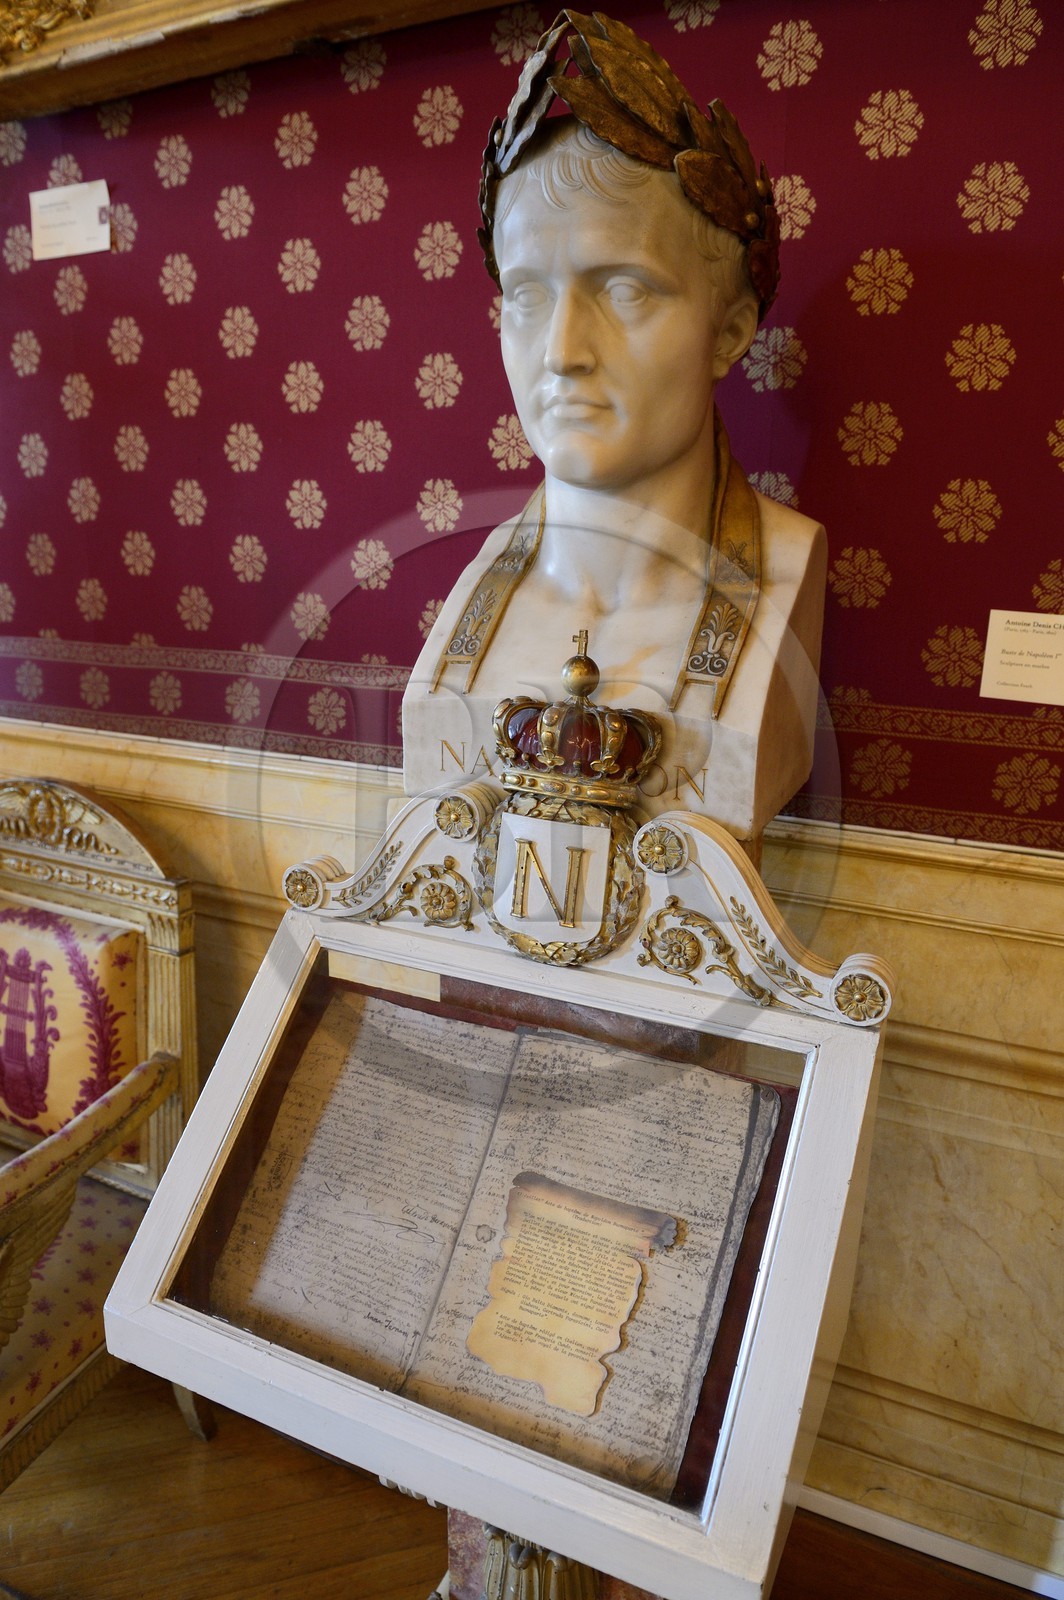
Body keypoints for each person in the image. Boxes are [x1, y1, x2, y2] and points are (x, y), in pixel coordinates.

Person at [403, 11, 825, 848]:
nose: (563, 352)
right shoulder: (473, 600)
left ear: (730, 332)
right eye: (528, 295)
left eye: (625, 290)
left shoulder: (790, 565)